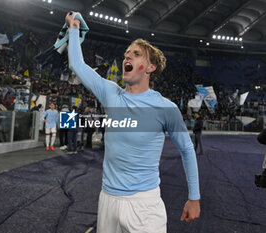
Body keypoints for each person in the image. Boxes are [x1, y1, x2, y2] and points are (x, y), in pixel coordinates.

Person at [66, 13, 200, 233]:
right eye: (126, 54)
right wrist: (73, 27)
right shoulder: (110, 93)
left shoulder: (165, 108)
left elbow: (186, 149)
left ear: (150, 68)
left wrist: (194, 197)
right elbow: (77, 64)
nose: (127, 57)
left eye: (136, 54)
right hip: (107, 199)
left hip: (143, 205)